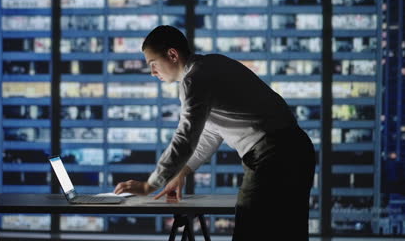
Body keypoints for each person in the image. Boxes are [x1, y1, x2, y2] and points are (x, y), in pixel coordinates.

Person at [114, 25, 316, 240]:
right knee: (288, 233)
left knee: (250, 233)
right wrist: (181, 172)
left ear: (172, 54)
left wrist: (149, 185)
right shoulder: (212, 65)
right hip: (295, 150)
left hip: (273, 157)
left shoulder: (195, 80)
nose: (152, 73)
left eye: (153, 64)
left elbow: (185, 139)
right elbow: (210, 135)